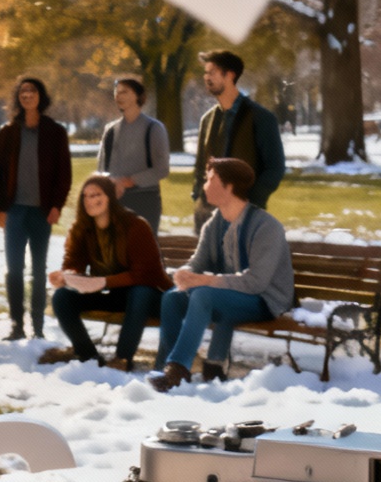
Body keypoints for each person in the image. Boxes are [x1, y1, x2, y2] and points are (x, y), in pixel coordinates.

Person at [151, 159, 295, 391]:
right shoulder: (214, 224)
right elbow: (197, 263)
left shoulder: (266, 227)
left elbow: (256, 282)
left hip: (265, 300)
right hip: (230, 295)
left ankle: (177, 370)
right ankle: (164, 367)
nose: (204, 186)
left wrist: (206, 281)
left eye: (210, 180)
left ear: (228, 187)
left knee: (203, 295)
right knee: (173, 296)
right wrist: (186, 274)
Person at [48, 175, 167, 369]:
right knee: (61, 297)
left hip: (151, 298)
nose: (90, 200)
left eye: (96, 194)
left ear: (110, 197)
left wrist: (104, 282)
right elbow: (73, 263)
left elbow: (146, 274)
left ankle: (122, 359)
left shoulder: (135, 225)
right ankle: (89, 357)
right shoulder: (81, 228)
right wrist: (66, 276)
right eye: (85, 196)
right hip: (113, 295)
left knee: (140, 292)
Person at [0, 75, 72, 341]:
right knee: (14, 269)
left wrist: (57, 205)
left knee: (38, 269)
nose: (27, 95)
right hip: (15, 211)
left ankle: (37, 326)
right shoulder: (8, 132)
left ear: (40, 96)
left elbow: (64, 173)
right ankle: (17, 325)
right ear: (18, 97)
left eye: (32, 91)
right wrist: (0, 207)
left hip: (42, 212)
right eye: (23, 91)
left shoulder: (55, 132)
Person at [191, 50, 285, 231]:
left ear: (229, 75)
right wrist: (199, 196)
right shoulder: (208, 119)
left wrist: (251, 202)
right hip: (208, 217)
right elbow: (200, 166)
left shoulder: (261, 118)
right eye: (205, 72)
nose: (206, 77)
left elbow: (275, 168)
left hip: (245, 217)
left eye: (212, 72)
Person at [96, 76, 170, 235]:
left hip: (145, 201)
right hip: (113, 201)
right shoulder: (110, 130)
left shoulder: (154, 128)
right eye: (116, 92)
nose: (118, 96)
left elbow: (162, 169)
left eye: (124, 91)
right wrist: (109, 182)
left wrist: (128, 181)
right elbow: (101, 167)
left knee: (142, 253)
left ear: (138, 96)